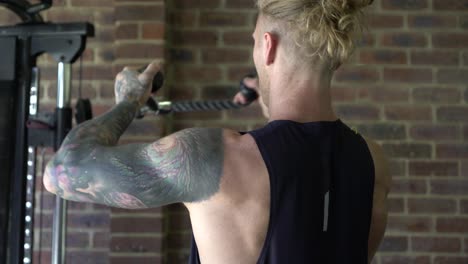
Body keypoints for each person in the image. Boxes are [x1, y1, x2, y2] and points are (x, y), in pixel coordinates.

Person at [44, 0, 391, 263]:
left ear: (267, 47)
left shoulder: (211, 156)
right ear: (336, 60)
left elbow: (63, 171)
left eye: (255, 42)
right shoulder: (372, 161)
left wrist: (129, 103)